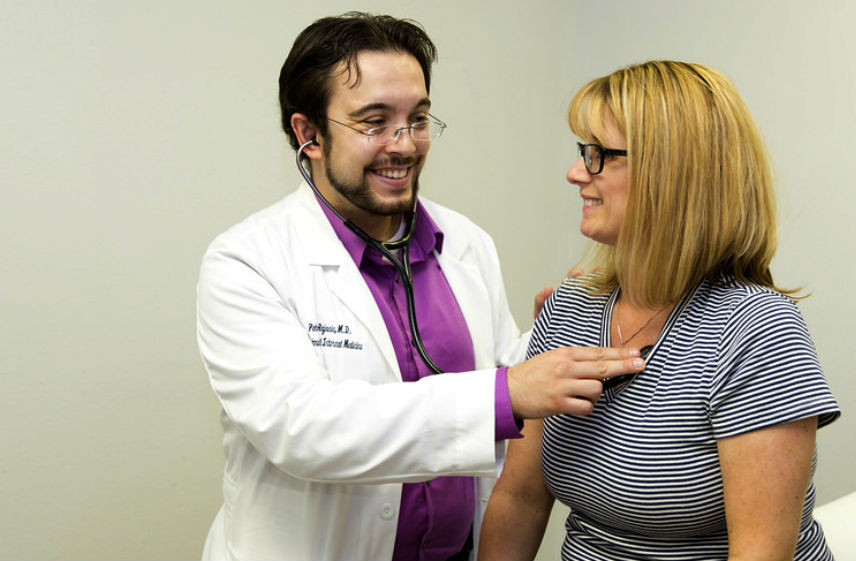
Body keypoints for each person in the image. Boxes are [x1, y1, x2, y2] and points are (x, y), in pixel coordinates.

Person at [196, 13, 644, 561]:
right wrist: (506, 392)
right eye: (375, 122)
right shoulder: (248, 261)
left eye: (419, 118)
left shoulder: (465, 243)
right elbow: (301, 427)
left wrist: (558, 336)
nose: (405, 145)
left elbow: (504, 371)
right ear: (308, 133)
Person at [478, 61, 842, 560]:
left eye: (599, 155)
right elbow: (519, 499)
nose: (576, 172)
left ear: (671, 173)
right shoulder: (570, 309)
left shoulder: (756, 329)